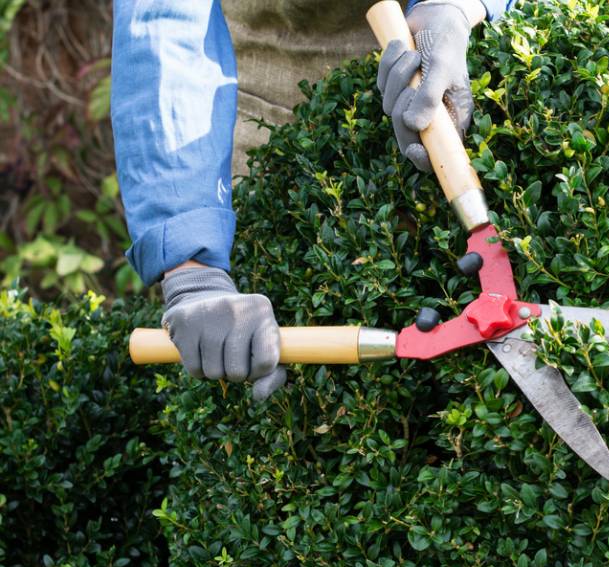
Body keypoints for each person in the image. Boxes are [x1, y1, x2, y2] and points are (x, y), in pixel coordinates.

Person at [112, 0, 512, 399]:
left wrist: (454, 8)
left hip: (444, 70)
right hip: (256, 110)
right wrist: (192, 266)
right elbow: (162, 21)